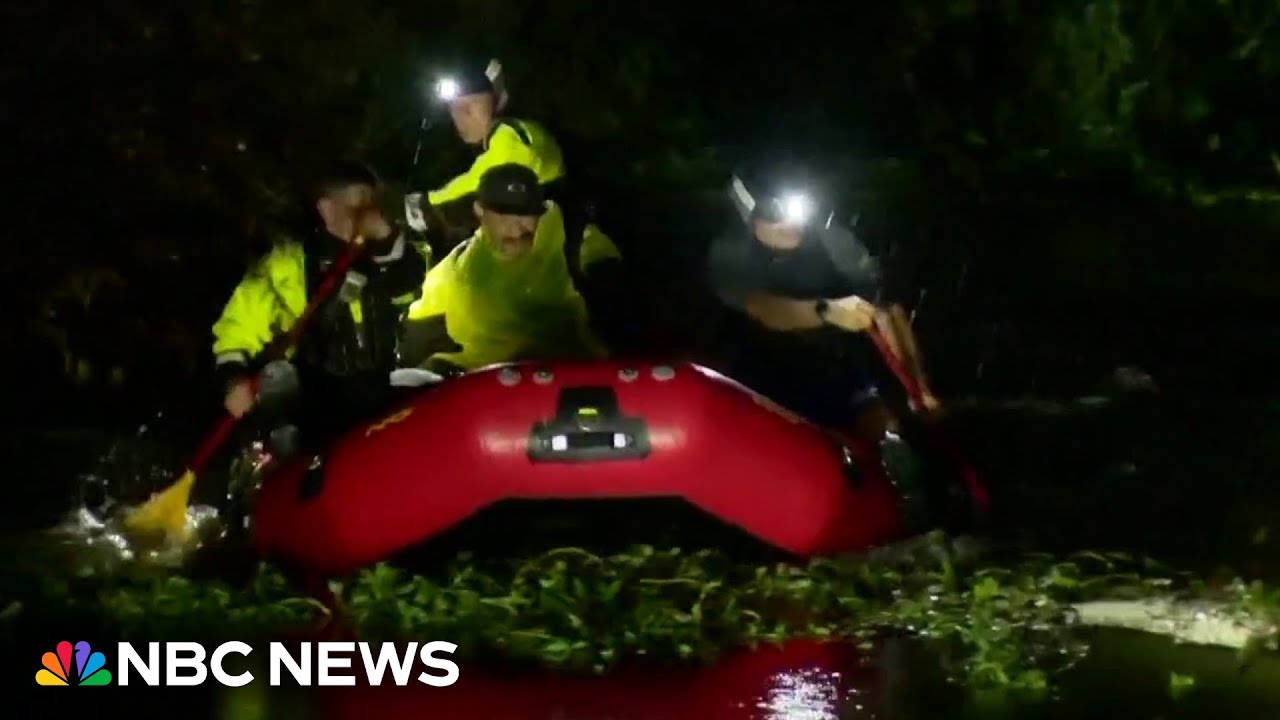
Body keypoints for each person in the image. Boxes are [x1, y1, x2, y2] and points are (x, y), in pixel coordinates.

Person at [704, 168, 940, 446]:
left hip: (833, 367)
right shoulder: (730, 252)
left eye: (795, 209)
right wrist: (827, 311)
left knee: (887, 430)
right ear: (749, 215)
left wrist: (918, 388)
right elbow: (764, 309)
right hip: (758, 376)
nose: (789, 223)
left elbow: (886, 310)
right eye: (773, 212)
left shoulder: (835, 242)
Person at [211, 162, 431, 449]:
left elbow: (409, 282)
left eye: (372, 203)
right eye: (358, 203)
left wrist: (386, 239)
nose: (368, 212)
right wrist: (233, 378)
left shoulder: (382, 253)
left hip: (380, 388)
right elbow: (238, 325)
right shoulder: (289, 264)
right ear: (327, 209)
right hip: (321, 404)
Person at [400, 163, 621, 372]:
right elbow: (416, 332)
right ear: (480, 211)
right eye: (504, 215)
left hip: (566, 383)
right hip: (485, 390)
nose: (517, 226)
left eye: (526, 214)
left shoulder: (574, 238)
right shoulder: (456, 267)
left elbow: (617, 291)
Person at [402, 59, 567, 244]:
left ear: (500, 99)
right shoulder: (514, 134)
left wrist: (428, 203)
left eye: (471, 106)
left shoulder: (511, 135)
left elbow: (479, 179)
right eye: (454, 109)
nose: (461, 116)